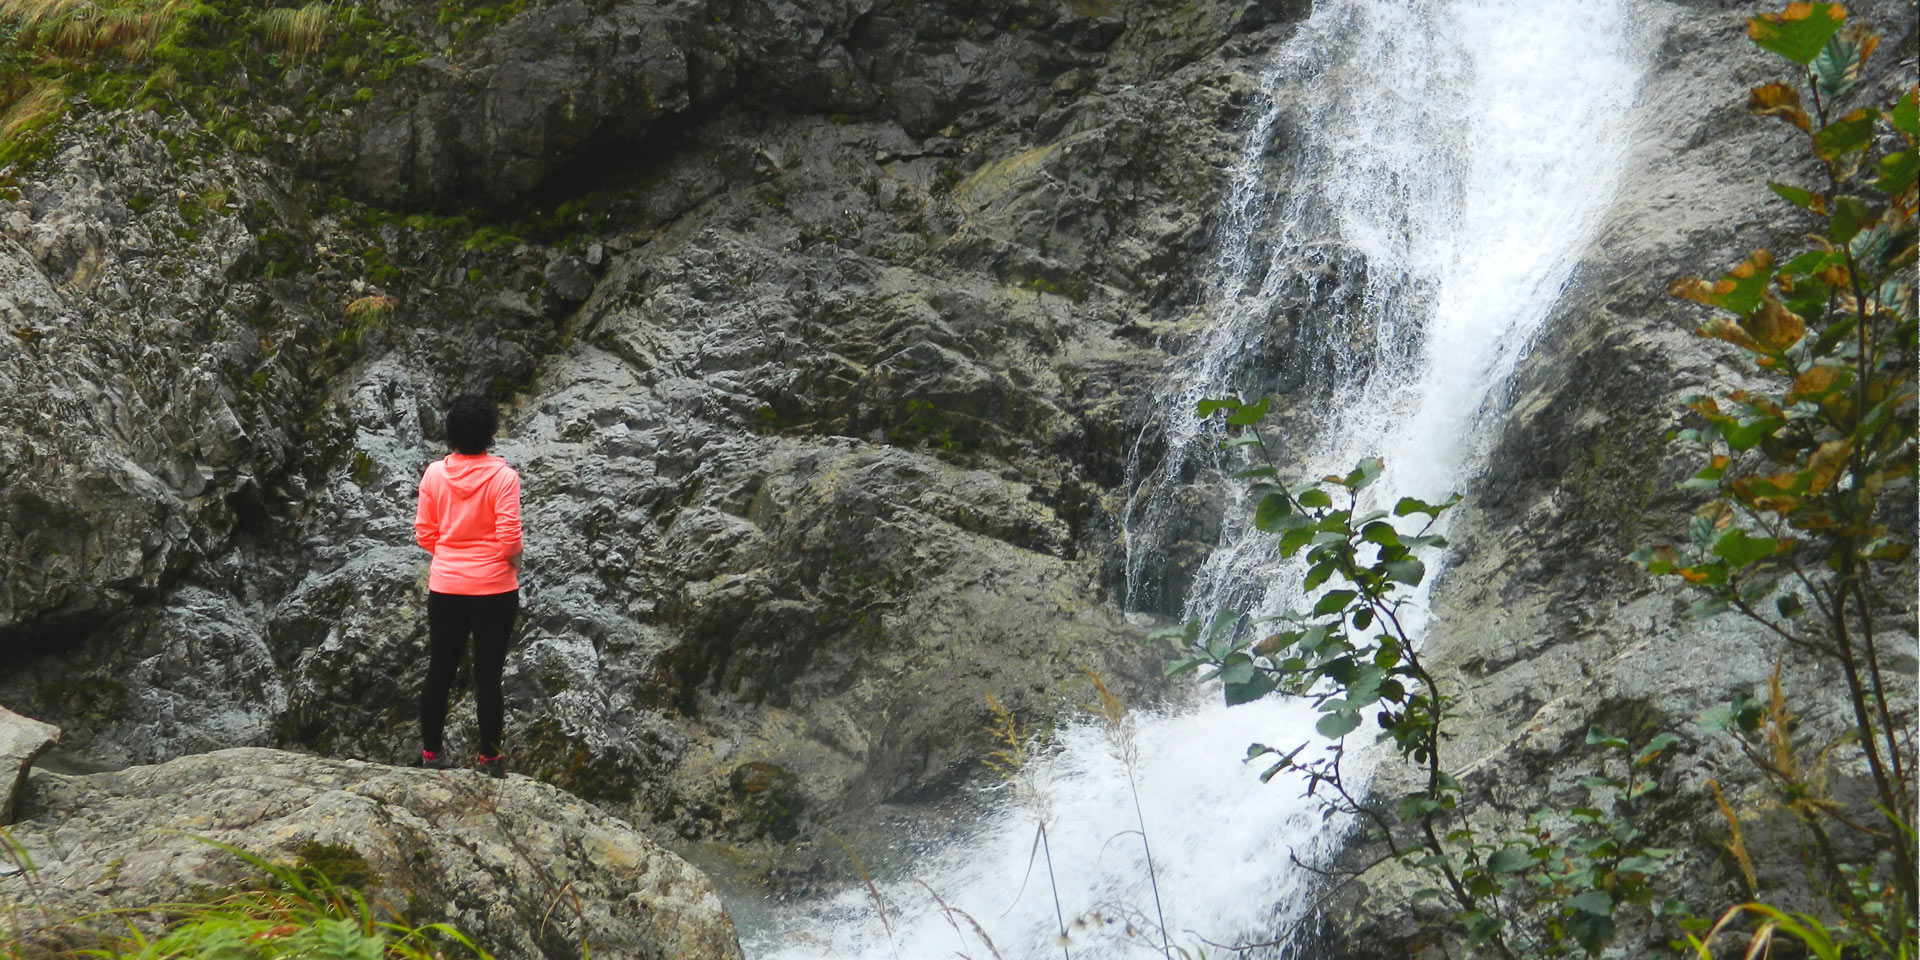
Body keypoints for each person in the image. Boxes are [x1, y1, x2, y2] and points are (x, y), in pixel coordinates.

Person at [413, 394, 522, 777]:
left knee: (440, 669)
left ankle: (431, 755)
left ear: (450, 435)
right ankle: (490, 760)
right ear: (492, 434)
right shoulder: (504, 477)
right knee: (489, 676)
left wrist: (449, 553)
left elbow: (425, 534)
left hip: (446, 587)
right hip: (495, 588)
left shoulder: (433, 475)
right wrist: (511, 562)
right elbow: (509, 539)